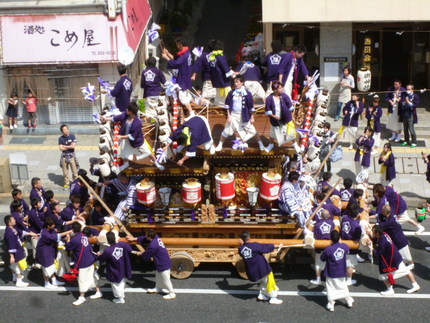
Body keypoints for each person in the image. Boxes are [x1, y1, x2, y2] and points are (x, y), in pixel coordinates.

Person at [101, 102, 164, 171]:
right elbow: (117, 118)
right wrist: (106, 118)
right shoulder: (126, 114)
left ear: (131, 112)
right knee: (124, 153)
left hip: (137, 141)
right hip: (125, 138)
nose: (126, 110)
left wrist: (121, 137)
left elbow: (132, 137)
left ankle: (156, 163)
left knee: (148, 152)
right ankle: (126, 164)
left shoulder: (138, 123)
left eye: (128, 109)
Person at [215, 75, 266, 152]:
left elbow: (251, 106)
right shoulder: (231, 93)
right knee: (226, 131)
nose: (236, 83)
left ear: (242, 83)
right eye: (235, 82)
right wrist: (229, 116)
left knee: (252, 130)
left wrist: (252, 117)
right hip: (233, 115)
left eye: (238, 82)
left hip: (244, 115)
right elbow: (227, 106)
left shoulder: (247, 93)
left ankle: (261, 144)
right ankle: (220, 145)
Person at [128, 229, 176, 300]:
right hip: (161, 261)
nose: (145, 237)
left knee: (166, 279)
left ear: (150, 238)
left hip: (163, 263)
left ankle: (172, 293)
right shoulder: (156, 237)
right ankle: (158, 288)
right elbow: (144, 238)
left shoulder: (153, 245)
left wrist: (140, 253)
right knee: (158, 276)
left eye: (146, 236)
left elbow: (147, 254)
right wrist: (134, 238)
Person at [372, 225, 420, 295]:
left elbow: (378, 254)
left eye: (373, 231)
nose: (371, 232)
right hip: (396, 257)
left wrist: (371, 248)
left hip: (390, 261)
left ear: (377, 233)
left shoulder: (383, 242)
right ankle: (415, 284)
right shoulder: (385, 235)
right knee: (406, 271)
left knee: (383, 276)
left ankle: (390, 289)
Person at [238, 230, 283, 305]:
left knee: (263, 282)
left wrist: (241, 244)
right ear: (250, 238)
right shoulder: (254, 245)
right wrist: (277, 245)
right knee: (269, 282)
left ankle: (262, 294)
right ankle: (273, 298)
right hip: (262, 268)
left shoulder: (241, 249)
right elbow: (265, 247)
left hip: (253, 270)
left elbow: (243, 249)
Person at [65, 222, 102, 305]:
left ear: (73, 230)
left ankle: (82, 297)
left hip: (83, 261)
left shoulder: (75, 239)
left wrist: (68, 239)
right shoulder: (84, 235)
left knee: (82, 279)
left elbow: (68, 247)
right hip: (91, 258)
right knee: (92, 276)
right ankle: (98, 291)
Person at [320, 230, 354, 311]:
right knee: (342, 286)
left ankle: (331, 303)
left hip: (331, 271)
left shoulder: (328, 249)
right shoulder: (344, 246)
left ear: (331, 239)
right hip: (341, 270)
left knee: (331, 288)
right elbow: (347, 250)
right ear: (339, 238)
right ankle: (348, 300)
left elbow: (322, 259)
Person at [98, 231, 133, 304]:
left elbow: (102, 259)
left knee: (115, 284)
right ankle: (122, 294)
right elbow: (130, 249)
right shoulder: (122, 244)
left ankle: (120, 298)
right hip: (123, 266)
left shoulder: (108, 250)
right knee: (122, 281)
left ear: (107, 240)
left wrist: (100, 254)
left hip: (114, 268)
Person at [36, 217, 70, 289]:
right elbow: (55, 236)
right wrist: (69, 232)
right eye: (53, 225)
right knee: (46, 268)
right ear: (48, 225)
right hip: (44, 252)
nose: (54, 226)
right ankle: (46, 283)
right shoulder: (45, 233)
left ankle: (54, 281)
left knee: (52, 266)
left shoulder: (49, 230)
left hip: (49, 250)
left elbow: (56, 235)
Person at [162, 37, 194, 115]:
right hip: (185, 76)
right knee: (186, 93)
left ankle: (191, 112)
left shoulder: (185, 55)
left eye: (177, 45)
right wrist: (168, 53)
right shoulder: (187, 53)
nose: (177, 46)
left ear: (180, 45)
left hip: (183, 77)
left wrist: (166, 58)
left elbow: (176, 63)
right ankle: (195, 103)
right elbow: (176, 60)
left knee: (183, 97)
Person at [4, 216, 36, 287]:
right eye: (13, 220)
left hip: (18, 250)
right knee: (18, 267)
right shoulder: (9, 234)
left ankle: (15, 277)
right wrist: (11, 256)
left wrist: (30, 233)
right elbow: (11, 246)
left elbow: (20, 231)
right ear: (9, 223)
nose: (15, 220)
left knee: (15, 266)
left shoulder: (12, 228)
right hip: (17, 252)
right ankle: (19, 281)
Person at [264, 81, 294, 152]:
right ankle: (271, 145)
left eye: (282, 88)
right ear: (275, 90)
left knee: (290, 132)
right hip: (275, 119)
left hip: (285, 118)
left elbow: (290, 107)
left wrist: (292, 116)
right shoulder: (269, 99)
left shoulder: (285, 96)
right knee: (272, 133)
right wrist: (274, 116)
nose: (282, 89)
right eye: (280, 88)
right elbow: (268, 111)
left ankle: (295, 144)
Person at [207, 40, 236, 107]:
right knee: (229, 97)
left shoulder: (211, 57)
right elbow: (226, 69)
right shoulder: (221, 57)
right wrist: (234, 75)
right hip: (224, 81)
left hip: (216, 81)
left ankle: (218, 110)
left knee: (219, 98)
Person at [309, 210, 335, 285]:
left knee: (318, 264)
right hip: (330, 246)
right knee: (330, 263)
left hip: (320, 246)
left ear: (321, 216)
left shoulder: (317, 225)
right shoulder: (332, 223)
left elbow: (316, 236)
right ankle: (330, 279)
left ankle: (318, 279)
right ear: (329, 215)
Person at [340, 203, 363, 285]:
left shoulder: (344, 218)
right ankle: (349, 280)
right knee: (350, 265)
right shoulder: (357, 227)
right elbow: (357, 238)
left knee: (343, 262)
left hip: (342, 242)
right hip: (351, 245)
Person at [58, 124, 79, 189]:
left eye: (67, 129)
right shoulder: (60, 138)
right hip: (64, 156)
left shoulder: (72, 136)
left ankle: (75, 183)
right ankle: (67, 183)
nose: (66, 131)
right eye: (64, 130)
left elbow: (73, 146)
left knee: (75, 172)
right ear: (62, 131)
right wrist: (69, 146)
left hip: (71, 156)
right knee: (65, 172)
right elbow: (61, 148)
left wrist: (65, 146)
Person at [399, 84, 419, 148]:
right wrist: (404, 102)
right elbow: (401, 103)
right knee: (405, 129)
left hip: (411, 114)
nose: (407, 90)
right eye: (406, 89)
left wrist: (409, 102)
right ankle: (406, 140)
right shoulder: (404, 95)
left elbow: (415, 105)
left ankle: (414, 142)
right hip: (405, 114)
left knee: (411, 129)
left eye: (409, 89)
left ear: (412, 89)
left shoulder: (415, 96)